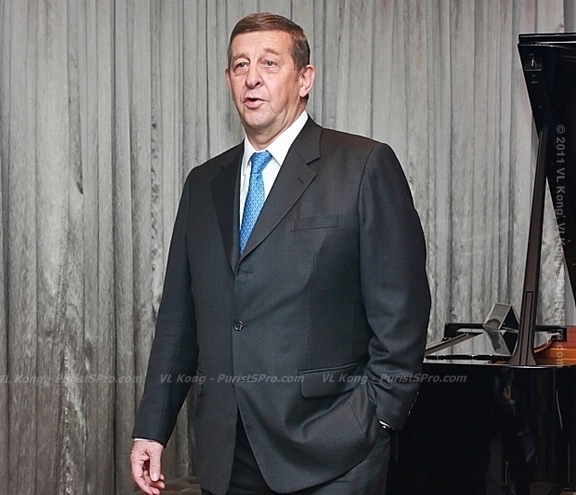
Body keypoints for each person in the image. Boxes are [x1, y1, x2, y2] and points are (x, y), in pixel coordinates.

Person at [130, 12, 431, 495]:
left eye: (269, 63)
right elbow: (178, 321)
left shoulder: (363, 167)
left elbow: (402, 313)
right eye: (240, 65)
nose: (252, 77)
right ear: (228, 80)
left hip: (334, 454)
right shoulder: (203, 184)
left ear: (304, 79)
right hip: (226, 457)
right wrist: (152, 427)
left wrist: (379, 418)